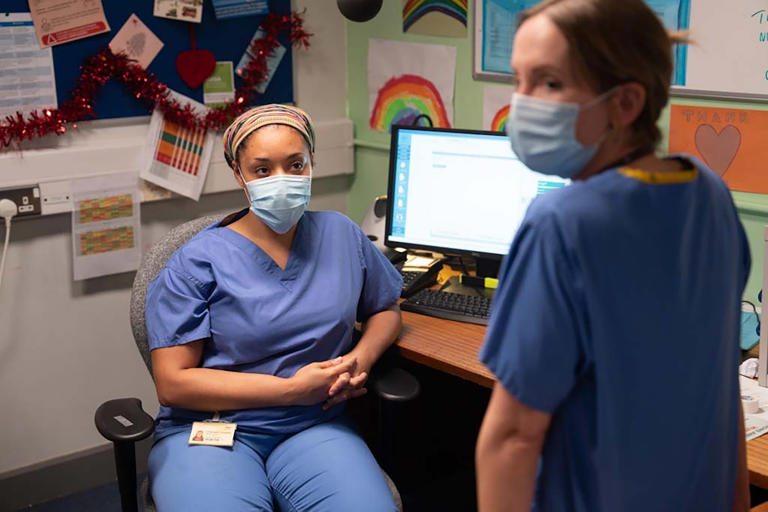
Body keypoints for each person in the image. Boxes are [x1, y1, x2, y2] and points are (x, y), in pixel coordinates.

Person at [474, 1, 750, 511]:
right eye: (520, 79)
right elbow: (721, 390)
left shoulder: (561, 223)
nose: (523, 102)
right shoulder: (710, 195)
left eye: (550, 83)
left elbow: (512, 438)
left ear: (625, 103)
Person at [144, 104, 403, 511]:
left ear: (311, 164)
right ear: (238, 174)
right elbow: (173, 383)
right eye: (262, 170)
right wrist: (289, 390)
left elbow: (386, 309)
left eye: (295, 164)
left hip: (313, 425)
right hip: (214, 429)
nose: (281, 180)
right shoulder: (197, 262)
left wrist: (359, 358)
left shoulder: (341, 235)